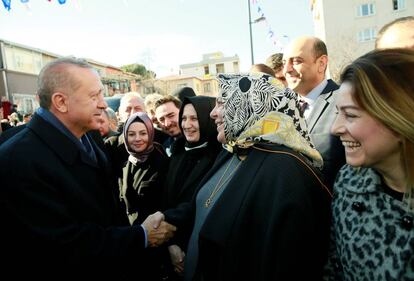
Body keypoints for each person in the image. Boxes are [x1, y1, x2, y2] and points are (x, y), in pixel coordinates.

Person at [0, 57, 176, 277]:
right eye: (94, 96)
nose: (103, 104)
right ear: (61, 102)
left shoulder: (90, 135)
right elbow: (63, 246)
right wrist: (141, 235)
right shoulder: (18, 160)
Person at [163, 73, 332, 281]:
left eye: (222, 103)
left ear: (252, 104)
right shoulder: (233, 150)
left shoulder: (285, 169)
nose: (214, 114)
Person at [323, 49, 414, 280]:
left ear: (397, 117)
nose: (335, 128)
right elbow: (335, 268)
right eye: (337, 113)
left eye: (350, 115)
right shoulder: (348, 181)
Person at [163, 95, 221, 277]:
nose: (187, 125)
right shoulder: (178, 151)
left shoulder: (220, 156)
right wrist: (171, 244)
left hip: (203, 252)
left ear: (207, 118)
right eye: (184, 118)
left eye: (194, 119)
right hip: (170, 246)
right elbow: (165, 199)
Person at [283, 35, 345, 188]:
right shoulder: (281, 107)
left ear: (321, 63)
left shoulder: (345, 102)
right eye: (285, 62)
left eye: (296, 61)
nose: (287, 70)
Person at [120, 112, 170, 281]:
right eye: (131, 134)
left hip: (156, 245)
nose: (137, 139)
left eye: (143, 133)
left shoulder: (162, 163)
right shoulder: (125, 164)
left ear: (150, 133)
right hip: (131, 244)